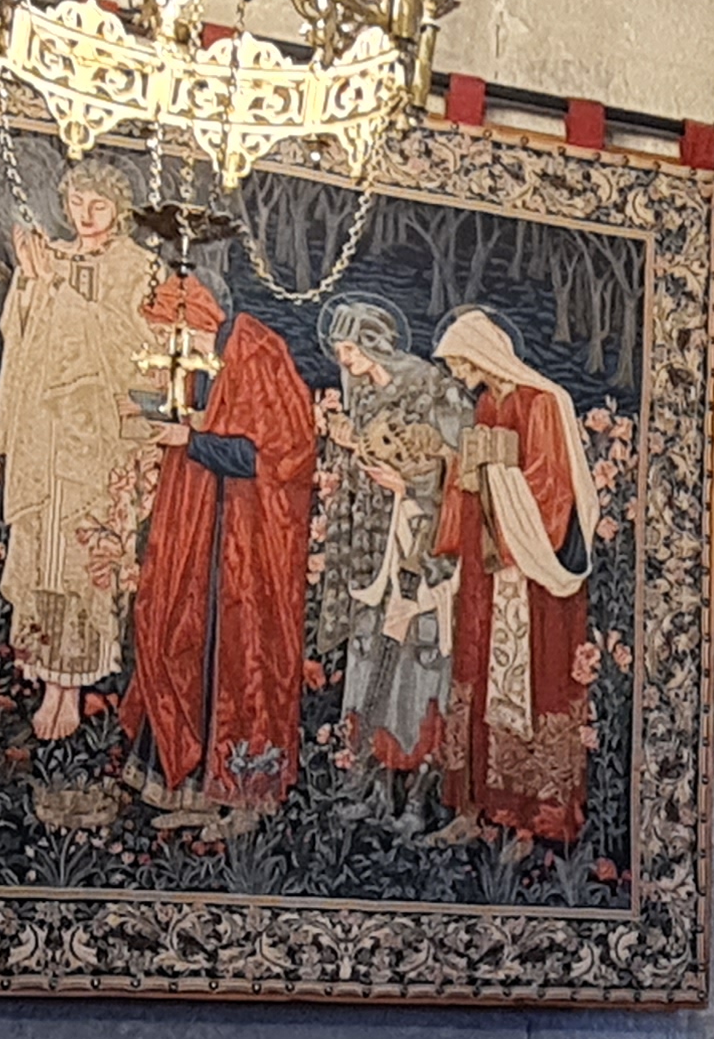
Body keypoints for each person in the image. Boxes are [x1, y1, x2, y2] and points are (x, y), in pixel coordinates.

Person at [120, 259, 318, 834]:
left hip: (249, 544)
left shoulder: (256, 353)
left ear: (196, 319)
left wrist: (191, 440)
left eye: (168, 330)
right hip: (207, 530)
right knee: (187, 639)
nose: (165, 344)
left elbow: (275, 457)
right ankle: (194, 788)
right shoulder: (204, 361)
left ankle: (245, 799)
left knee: (242, 661)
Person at [0, 162, 165, 743]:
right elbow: (19, 334)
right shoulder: (55, 254)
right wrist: (31, 283)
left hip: (95, 433)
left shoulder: (136, 267)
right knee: (43, 548)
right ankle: (48, 679)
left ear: (119, 210)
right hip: (46, 427)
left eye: (98, 205)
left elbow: (135, 343)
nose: (85, 216)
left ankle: (73, 685)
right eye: (77, 203)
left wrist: (61, 291)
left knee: (81, 552)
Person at [427, 307, 594, 847]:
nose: (457, 372)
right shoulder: (485, 405)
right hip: (487, 565)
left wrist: (492, 473)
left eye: (460, 361)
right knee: (478, 672)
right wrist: (461, 467)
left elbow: (550, 492)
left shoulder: (543, 402)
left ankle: (531, 818)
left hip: (527, 568)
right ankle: (475, 808)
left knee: (529, 682)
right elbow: (472, 479)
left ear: (482, 354)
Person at [319, 298, 469, 827]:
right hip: (374, 545)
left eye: (349, 347)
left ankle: (420, 790)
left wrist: (408, 486)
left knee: (419, 662)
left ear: (374, 343)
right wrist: (348, 450)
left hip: (422, 544)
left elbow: (460, 467)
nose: (344, 359)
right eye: (339, 350)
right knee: (370, 652)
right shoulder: (359, 392)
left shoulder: (431, 388)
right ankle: (373, 782)